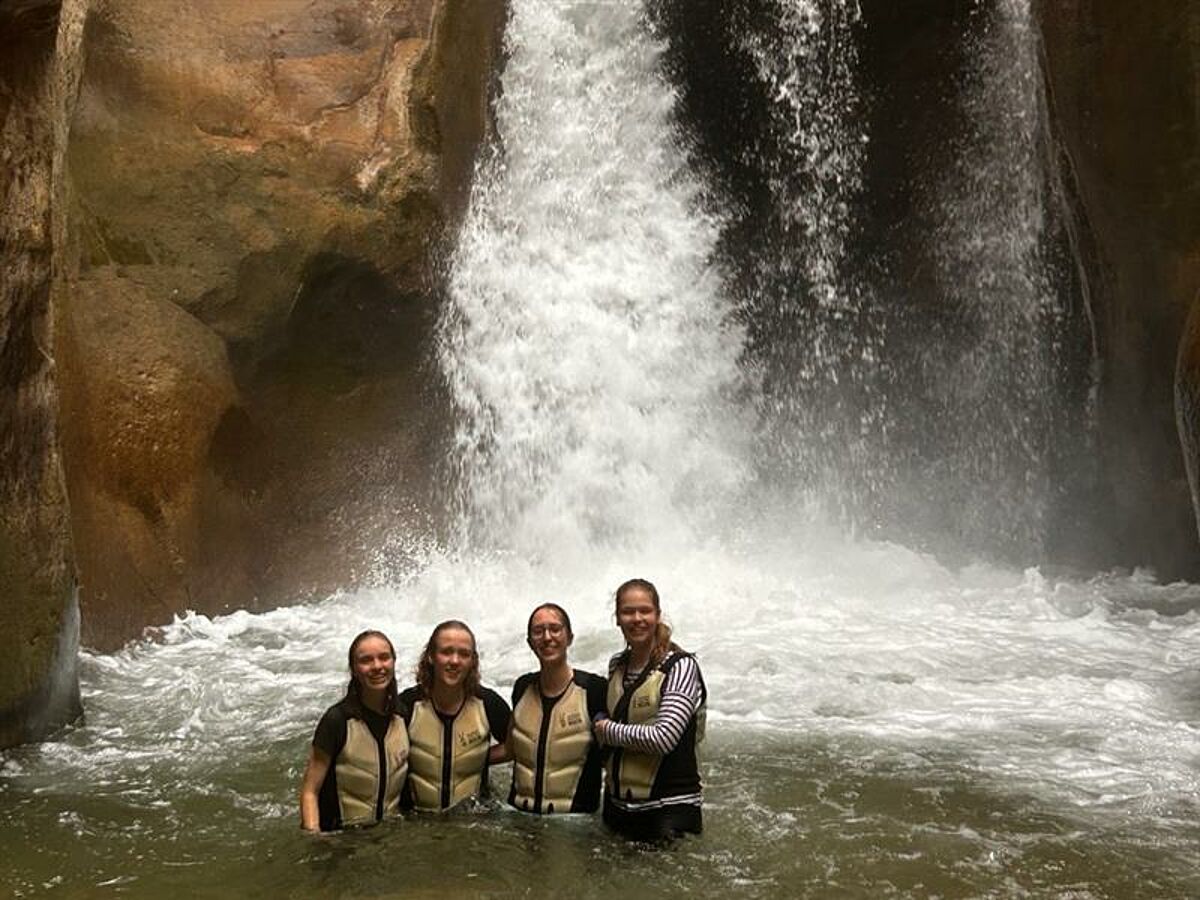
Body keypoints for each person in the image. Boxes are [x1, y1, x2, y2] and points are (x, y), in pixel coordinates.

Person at [593, 578, 707, 841]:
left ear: (657, 614)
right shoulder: (616, 666)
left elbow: (664, 738)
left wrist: (607, 730)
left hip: (668, 812)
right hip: (618, 808)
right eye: (627, 612)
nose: (637, 618)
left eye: (644, 610)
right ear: (617, 619)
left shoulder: (680, 667)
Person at [299, 630, 409, 832]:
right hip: (341, 838)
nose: (377, 666)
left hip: (388, 835)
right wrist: (314, 838)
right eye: (366, 660)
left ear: (393, 662)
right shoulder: (337, 720)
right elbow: (310, 790)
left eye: (384, 658)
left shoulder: (402, 715)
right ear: (354, 669)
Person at [398, 620, 511, 811]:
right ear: (431, 657)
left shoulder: (489, 704)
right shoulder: (407, 705)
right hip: (418, 821)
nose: (455, 661)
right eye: (446, 652)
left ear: (473, 661)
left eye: (464, 654)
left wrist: (474, 758)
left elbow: (515, 748)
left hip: (473, 822)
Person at [508, 603, 607, 814]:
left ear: (569, 637)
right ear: (529, 642)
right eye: (538, 631)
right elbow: (510, 747)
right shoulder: (522, 687)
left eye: (555, 629)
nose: (547, 637)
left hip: (574, 822)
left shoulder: (594, 689)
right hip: (519, 816)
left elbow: (615, 750)